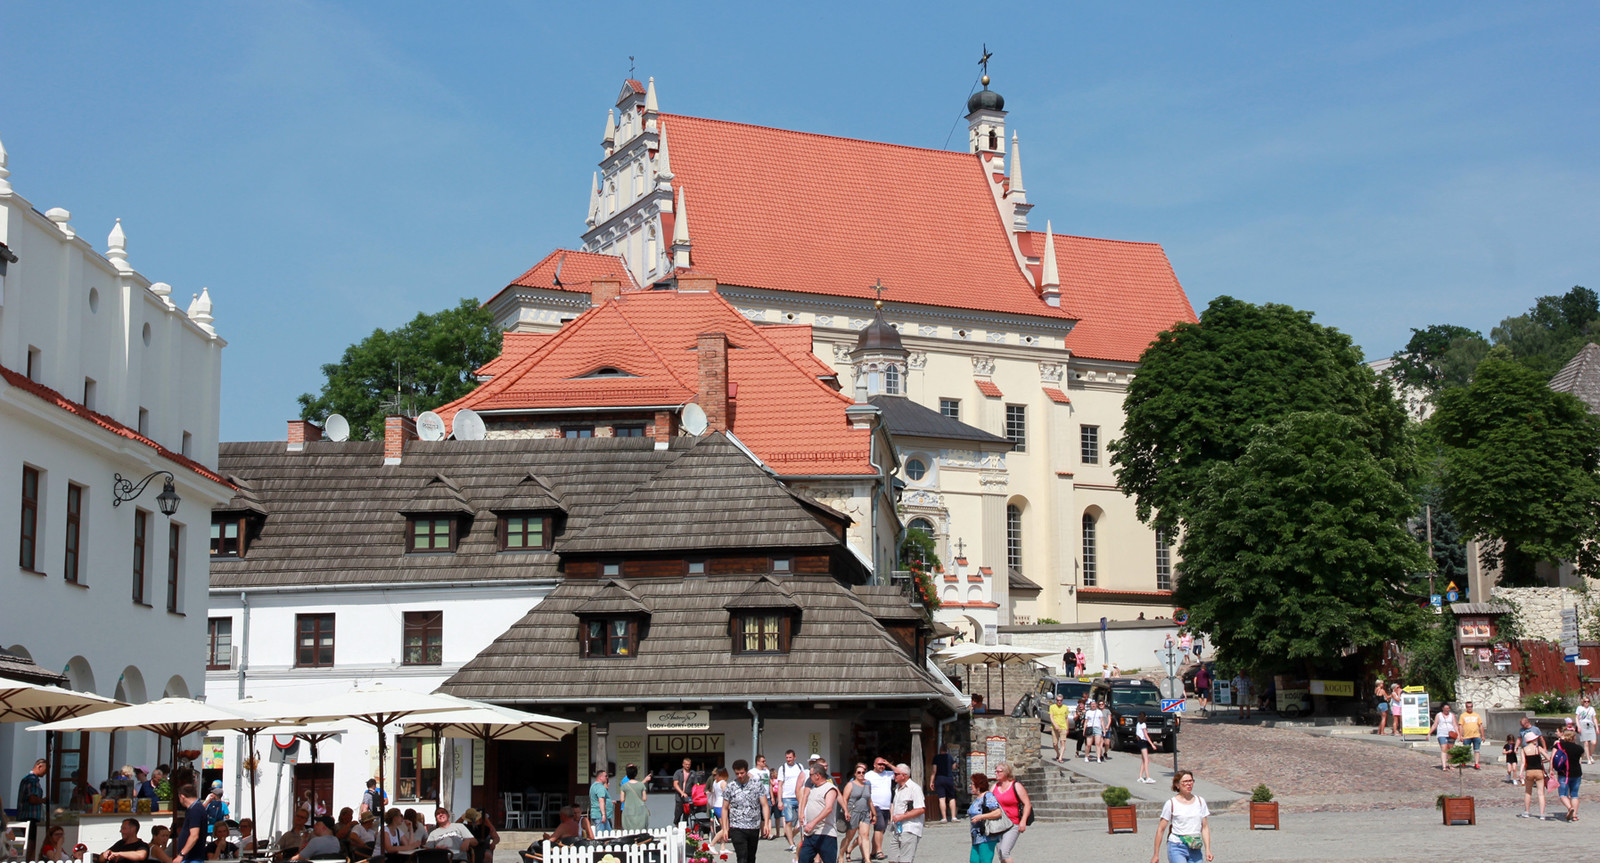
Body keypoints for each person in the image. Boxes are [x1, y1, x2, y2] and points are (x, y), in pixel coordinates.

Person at [1151, 770, 1212, 863]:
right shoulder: (1171, 803)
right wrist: (1156, 854)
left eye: (1190, 781)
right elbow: (1161, 829)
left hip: (1195, 846)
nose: (1189, 784)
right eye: (1185, 782)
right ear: (1177, 785)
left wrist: (1208, 849)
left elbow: (1205, 827)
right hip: (1177, 846)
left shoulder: (1200, 801)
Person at [721, 759, 773, 863]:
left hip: (754, 826)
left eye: (742, 773)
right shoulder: (731, 786)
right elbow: (724, 808)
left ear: (746, 770)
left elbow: (765, 805)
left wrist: (766, 823)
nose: (740, 776)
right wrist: (725, 828)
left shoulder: (757, 784)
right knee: (742, 857)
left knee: (751, 857)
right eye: (737, 773)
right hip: (737, 827)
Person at [797, 764, 838, 863]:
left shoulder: (830, 788)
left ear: (817, 775)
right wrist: (801, 813)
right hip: (810, 834)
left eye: (811, 775)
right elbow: (804, 798)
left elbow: (828, 808)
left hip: (826, 834)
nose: (809, 777)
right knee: (803, 859)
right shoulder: (813, 788)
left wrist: (813, 823)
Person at [987, 764, 1028, 863]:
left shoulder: (1016, 786)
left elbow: (1027, 804)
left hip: (1013, 823)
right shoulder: (994, 787)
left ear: (1006, 772)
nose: (996, 773)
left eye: (999, 771)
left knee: (1004, 851)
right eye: (996, 771)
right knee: (1000, 854)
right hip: (999, 824)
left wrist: (1023, 821)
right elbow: (988, 803)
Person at [883, 765, 922, 863]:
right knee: (892, 860)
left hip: (910, 828)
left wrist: (902, 816)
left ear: (904, 775)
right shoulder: (897, 788)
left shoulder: (914, 788)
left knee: (905, 860)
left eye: (896, 774)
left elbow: (920, 809)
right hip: (897, 829)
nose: (894, 776)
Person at [964, 773, 1002, 863]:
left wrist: (981, 817)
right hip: (976, 836)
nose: (970, 785)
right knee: (974, 860)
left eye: (972, 783)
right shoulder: (978, 798)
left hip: (986, 836)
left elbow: (998, 812)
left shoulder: (988, 796)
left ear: (979, 785)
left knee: (985, 860)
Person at [840, 764, 873, 863]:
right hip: (853, 812)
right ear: (855, 774)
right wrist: (846, 811)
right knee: (849, 836)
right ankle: (841, 855)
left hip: (865, 813)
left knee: (865, 835)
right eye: (859, 772)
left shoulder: (867, 785)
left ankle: (867, 859)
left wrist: (873, 812)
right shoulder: (850, 785)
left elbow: (869, 800)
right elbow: (844, 799)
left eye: (863, 772)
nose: (861, 774)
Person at [776, 751, 807, 853]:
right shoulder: (782, 768)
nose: (788, 759)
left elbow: (804, 781)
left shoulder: (799, 766)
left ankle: (801, 841)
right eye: (787, 757)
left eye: (790, 757)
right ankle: (792, 844)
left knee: (802, 820)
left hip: (799, 796)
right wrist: (779, 801)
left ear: (794, 757)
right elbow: (780, 785)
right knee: (789, 821)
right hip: (787, 797)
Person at [864, 758, 894, 861]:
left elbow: (900, 772)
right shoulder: (868, 775)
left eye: (883, 764)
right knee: (879, 828)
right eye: (879, 764)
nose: (882, 766)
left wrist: (889, 764)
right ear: (874, 765)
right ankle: (879, 851)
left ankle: (873, 851)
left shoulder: (888, 774)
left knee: (881, 830)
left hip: (886, 806)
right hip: (875, 805)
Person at [1554, 727, 1584, 822]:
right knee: (1574, 795)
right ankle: (1574, 816)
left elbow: (1553, 758)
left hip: (1564, 773)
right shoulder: (1579, 748)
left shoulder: (1560, 746)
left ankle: (1570, 808)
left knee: (1563, 794)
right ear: (1574, 737)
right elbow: (1580, 759)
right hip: (1577, 773)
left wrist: (1551, 769)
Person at [18, 758, 47, 851]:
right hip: (29, 816)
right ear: (39, 766)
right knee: (31, 843)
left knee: (31, 842)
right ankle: (29, 858)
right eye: (46, 769)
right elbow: (32, 799)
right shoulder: (31, 780)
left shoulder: (31, 779)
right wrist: (43, 800)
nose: (46, 773)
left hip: (27, 816)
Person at [1520, 731, 1550, 819]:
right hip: (1539, 771)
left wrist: (1521, 773)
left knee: (1528, 792)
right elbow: (1548, 758)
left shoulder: (1524, 750)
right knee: (1541, 793)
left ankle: (1527, 812)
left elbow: (1523, 763)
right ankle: (1542, 814)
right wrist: (1542, 761)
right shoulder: (1538, 748)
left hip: (1529, 771)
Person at [175, 785, 208, 863]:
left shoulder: (195, 810)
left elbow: (194, 836)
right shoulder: (194, 809)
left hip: (192, 859)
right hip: (190, 858)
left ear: (182, 796)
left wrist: (181, 855)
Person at [929, 749, 957, 823]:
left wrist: (931, 781)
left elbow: (934, 770)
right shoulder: (949, 757)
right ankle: (953, 817)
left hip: (939, 779)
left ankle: (944, 818)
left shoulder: (936, 757)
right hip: (949, 779)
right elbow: (954, 767)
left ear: (940, 750)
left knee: (942, 798)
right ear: (946, 750)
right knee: (952, 798)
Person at [1429, 703, 1460, 770]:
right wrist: (1429, 733)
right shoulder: (1439, 715)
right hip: (1441, 734)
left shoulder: (1452, 715)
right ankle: (1444, 766)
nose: (1447, 710)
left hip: (1451, 734)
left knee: (1450, 749)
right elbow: (1435, 724)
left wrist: (1459, 734)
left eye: (1448, 708)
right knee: (1444, 748)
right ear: (1442, 708)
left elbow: (1455, 725)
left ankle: (1450, 764)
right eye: (1445, 708)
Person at [620, 765, 650, 830]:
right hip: (640, 809)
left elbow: (622, 800)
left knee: (629, 829)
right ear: (636, 774)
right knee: (641, 829)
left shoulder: (624, 786)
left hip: (628, 809)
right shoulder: (641, 785)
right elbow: (644, 798)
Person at [1457, 701, 1485, 769]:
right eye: (1468, 707)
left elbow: (1480, 725)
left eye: (1471, 707)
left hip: (1476, 735)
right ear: (1466, 707)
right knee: (1466, 750)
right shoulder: (1463, 715)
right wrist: (1460, 735)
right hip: (1467, 736)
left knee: (1477, 750)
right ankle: (1464, 762)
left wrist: (1483, 735)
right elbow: (1460, 726)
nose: (1469, 708)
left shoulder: (1476, 715)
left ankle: (1476, 764)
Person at [671, 758, 695, 826]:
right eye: (686, 764)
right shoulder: (678, 772)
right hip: (679, 796)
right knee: (678, 812)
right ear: (683, 764)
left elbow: (696, 784)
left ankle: (685, 826)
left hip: (689, 795)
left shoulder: (693, 773)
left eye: (689, 764)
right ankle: (676, 824)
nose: (687, 766)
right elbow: (675, 784)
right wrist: (682, 792)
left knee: (687, 812)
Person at [1047, 694, 1071, 762]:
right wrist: (1055, 725)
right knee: (1055, 744)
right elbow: (1051, 717)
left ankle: (1060, 758)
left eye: (1060, 700)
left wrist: (1067, 728)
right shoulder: (1052, 707)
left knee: (1062, 742)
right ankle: (1058, 753)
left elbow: (1066, 718)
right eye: (1058, 700)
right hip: (1055, 728)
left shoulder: (1065, 707)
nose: (1059, 702)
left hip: (1063, 727)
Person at [1135, 712, 1156, 783]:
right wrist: (1152, 744)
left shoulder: (1138, 724)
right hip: (1143, 742)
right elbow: (1146, 735)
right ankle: (1147, 777)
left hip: (1139, 741)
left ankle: (1140, 776)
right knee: (1147, 760)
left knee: (1144, 760)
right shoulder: (1143, 724)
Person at [1578, 695, 1598, 765]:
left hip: (1590, 725)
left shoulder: (1591, 709)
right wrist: (1578, 726)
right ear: (1583, 702)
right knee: (1586, 743)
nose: (1586, 702)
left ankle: (1590, 755)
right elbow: (1577, 718)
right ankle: (1588, 759)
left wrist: (1597, 727)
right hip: (1583, 725)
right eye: (1585, 701)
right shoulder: (1579, 708)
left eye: (1588, 701)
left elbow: (1594, 718)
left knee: (1594, 742)